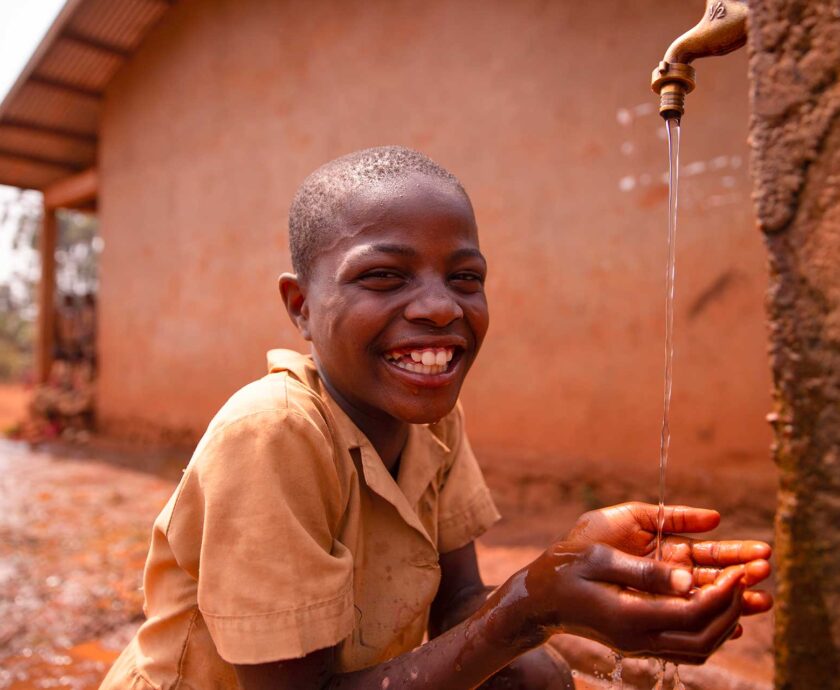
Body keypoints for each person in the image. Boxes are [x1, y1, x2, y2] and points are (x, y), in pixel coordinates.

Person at [100, 147, 772, 690]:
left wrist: (585, 587)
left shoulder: (431, 419)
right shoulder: (273, 433)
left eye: (465, 277)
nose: (442, 308)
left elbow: (458, 607)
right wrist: (534, 604)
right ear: (301, 306)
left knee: (534, 677)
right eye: (385, 277)